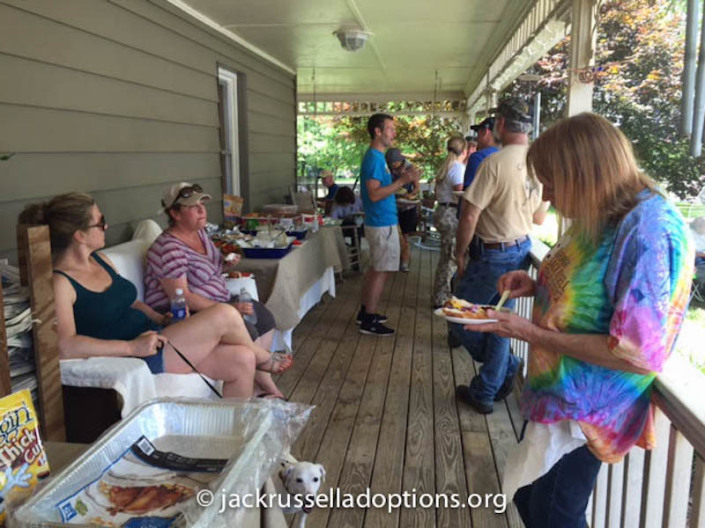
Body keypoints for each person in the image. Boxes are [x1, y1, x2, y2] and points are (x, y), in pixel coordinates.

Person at [467, 113, 693, 526]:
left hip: (589, 412)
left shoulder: (650, 230)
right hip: (558, 397)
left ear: (585, 173)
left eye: (552, 183)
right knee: (530, 501)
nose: (547, 196)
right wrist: (537, 286)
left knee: (554, 514)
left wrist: (533, 333)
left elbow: (636, 353)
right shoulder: (601, 214)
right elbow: (591, 296)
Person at [18, 193, 293, 399]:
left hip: (159, 336)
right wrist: (130, 348)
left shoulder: (100, 262)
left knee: (241, 359)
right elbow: (65, 345)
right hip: (136, 356)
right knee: (225, 314)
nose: (106, 225)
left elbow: (131, 302)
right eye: (100, 222)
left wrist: (160, 316)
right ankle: (264, 359)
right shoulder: (61, 283)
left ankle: (234, 436)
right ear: (79, 235)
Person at [452, 97, 548, 413]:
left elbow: (469, 216)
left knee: (458, 315)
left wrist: (460, 252)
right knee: (497, 319)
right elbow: (539, 218)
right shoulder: (540, 163)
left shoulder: (493, 162)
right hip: (520, 250)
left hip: (492, 255)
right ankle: (486, 388)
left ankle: (505, 367)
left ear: (501, 125)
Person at [144, 182, 284, 399]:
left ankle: (260, 385)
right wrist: (230, 308)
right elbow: (182, 297)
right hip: (183, 315)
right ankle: (264, 376)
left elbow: (212, 269)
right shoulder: (169, 248)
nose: (202, 210)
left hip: (219, 301)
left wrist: (226, 264)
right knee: (248, 326)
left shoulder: (200, 234)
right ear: (174, 214)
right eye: (193, 207)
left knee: (263, 317)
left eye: (202, 204)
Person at [358, 113, 419, 336]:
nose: (394, 133)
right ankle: (370, 320)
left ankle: (365, 312)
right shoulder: (374, 159)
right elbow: (374, 195)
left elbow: (380, 189)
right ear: (378, 131)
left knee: (377, 269)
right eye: (390, 129)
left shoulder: (378, 158)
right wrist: (402, 181)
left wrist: (400, 179)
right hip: (381, 222)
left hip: (383, 221)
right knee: (381, 270)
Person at [432, 136, 467, 307]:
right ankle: (442, 298)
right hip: (451, 213)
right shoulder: (458, 168)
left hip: (441, 211)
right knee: (450, 258)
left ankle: (441, 294)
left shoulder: (445, 167)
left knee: (445, 256)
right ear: (465, 151)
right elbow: (460, 193)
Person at [385, 148, 421, 272]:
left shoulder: (410, 169)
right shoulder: (388, 169)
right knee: (393, 235)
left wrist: (409, 194)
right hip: (393, 205)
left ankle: (404, 262)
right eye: (390, 163)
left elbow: (417, 188)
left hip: (407, 206)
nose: (392, 166)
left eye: (394, 163)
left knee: (405, 236)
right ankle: (394, 260)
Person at [463, 117, 499, 190]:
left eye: (477, 132)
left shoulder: (478, 157)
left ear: (485, 132)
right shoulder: (508, 156)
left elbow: (469, 192)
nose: (476, 137)